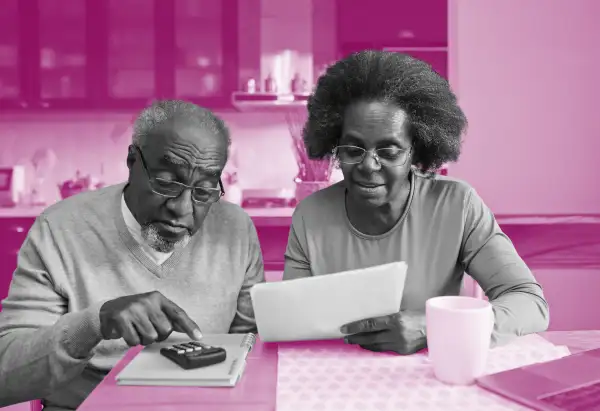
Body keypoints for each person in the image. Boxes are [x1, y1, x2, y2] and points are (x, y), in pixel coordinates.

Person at [0, 100, 265, 410]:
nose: (182, 209)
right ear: (132, 161)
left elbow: (254, 352)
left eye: (204, 190)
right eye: (166, 182)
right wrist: (95, 323)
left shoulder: (235, 229)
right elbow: (7, 376)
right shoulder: (59, 229)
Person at [283, 50, 549, 354]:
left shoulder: (457, 206)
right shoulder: (310, 215)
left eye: (389, 151)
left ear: (417, 152)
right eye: (353, 149)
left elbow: (529, 302)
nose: (369, 165)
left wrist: (438, 329)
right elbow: (293, 324)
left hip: (432, 380)